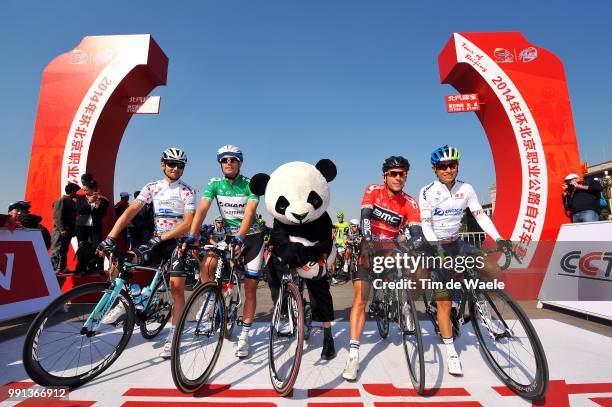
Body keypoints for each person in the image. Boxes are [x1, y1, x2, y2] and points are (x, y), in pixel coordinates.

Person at [419, 145, 512, 376]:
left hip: (457, 242)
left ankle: (477, 303)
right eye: (443, 166)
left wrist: (500, 238)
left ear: (457, 166)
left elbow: (480, 216)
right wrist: (438, 250)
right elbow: (426, 224)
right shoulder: (427, 191)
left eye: (452, 165)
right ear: (435, 169)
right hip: (435, 244)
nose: (448, 170)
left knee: (491, 269)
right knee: (444, 302)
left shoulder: (466, 188)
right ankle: (451, 351)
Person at [97, 147, 196, 359]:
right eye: (171, 164)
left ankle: (174, 335)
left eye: (180, 166)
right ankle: (126, 300)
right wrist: (111, 237)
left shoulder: (187, 191)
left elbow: (187, 223)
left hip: (176, 242)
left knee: (176, 288)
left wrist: (161, 237)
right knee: (125, 261)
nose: (176, 169)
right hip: (157, 240)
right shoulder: (152, 187)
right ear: (163, 164)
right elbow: (131, 210)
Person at [343, 156, 424, 381]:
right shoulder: (373, 190)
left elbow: (417, 232)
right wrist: (367, 243)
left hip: (390, 250)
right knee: (361, 299)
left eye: (402, 174)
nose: (398, 178)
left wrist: (414, 243)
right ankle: (353, 355)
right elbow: (365, 218)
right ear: (385, 176)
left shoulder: (410, 202)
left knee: (413, 266)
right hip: (369, 246)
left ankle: (405, 304)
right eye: (394, 174)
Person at [186, 145, 263, 358]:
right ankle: (211, 299)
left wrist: (240, 238)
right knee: (208, 263)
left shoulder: (250, 185)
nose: (228, 163)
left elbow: (249, 213)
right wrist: (192, 236)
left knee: (250, 288)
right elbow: (202, 210)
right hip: (229, 236)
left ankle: (244, 337)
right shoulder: (214, 184)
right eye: (224, 160)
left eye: (233, 159)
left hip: (252, 237)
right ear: (220, 163)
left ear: (240, 163)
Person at [75, 180, 109, 274]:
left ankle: (100, 268)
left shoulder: (102, 199)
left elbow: (104, 213)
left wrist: (98, 206)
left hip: (95, 227)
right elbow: (79, 210)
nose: (85, 192)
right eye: (84, 190)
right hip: (82, 227)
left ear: (94, 189)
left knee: (98, 247)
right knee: (82, 247)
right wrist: (89, 203)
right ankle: (82, 268)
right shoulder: (80, 198)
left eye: (87, 190)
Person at [50, 183, 80, 272]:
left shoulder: (71, 201)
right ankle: (53, 268)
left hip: (67, 230)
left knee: (63, 249)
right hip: (60, 230)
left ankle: (62, 267)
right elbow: (57, 216)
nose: (76, 194)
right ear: (72, 192)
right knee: (57, 249)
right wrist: (62, 229)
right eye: (76, 192)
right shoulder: (61, 200)